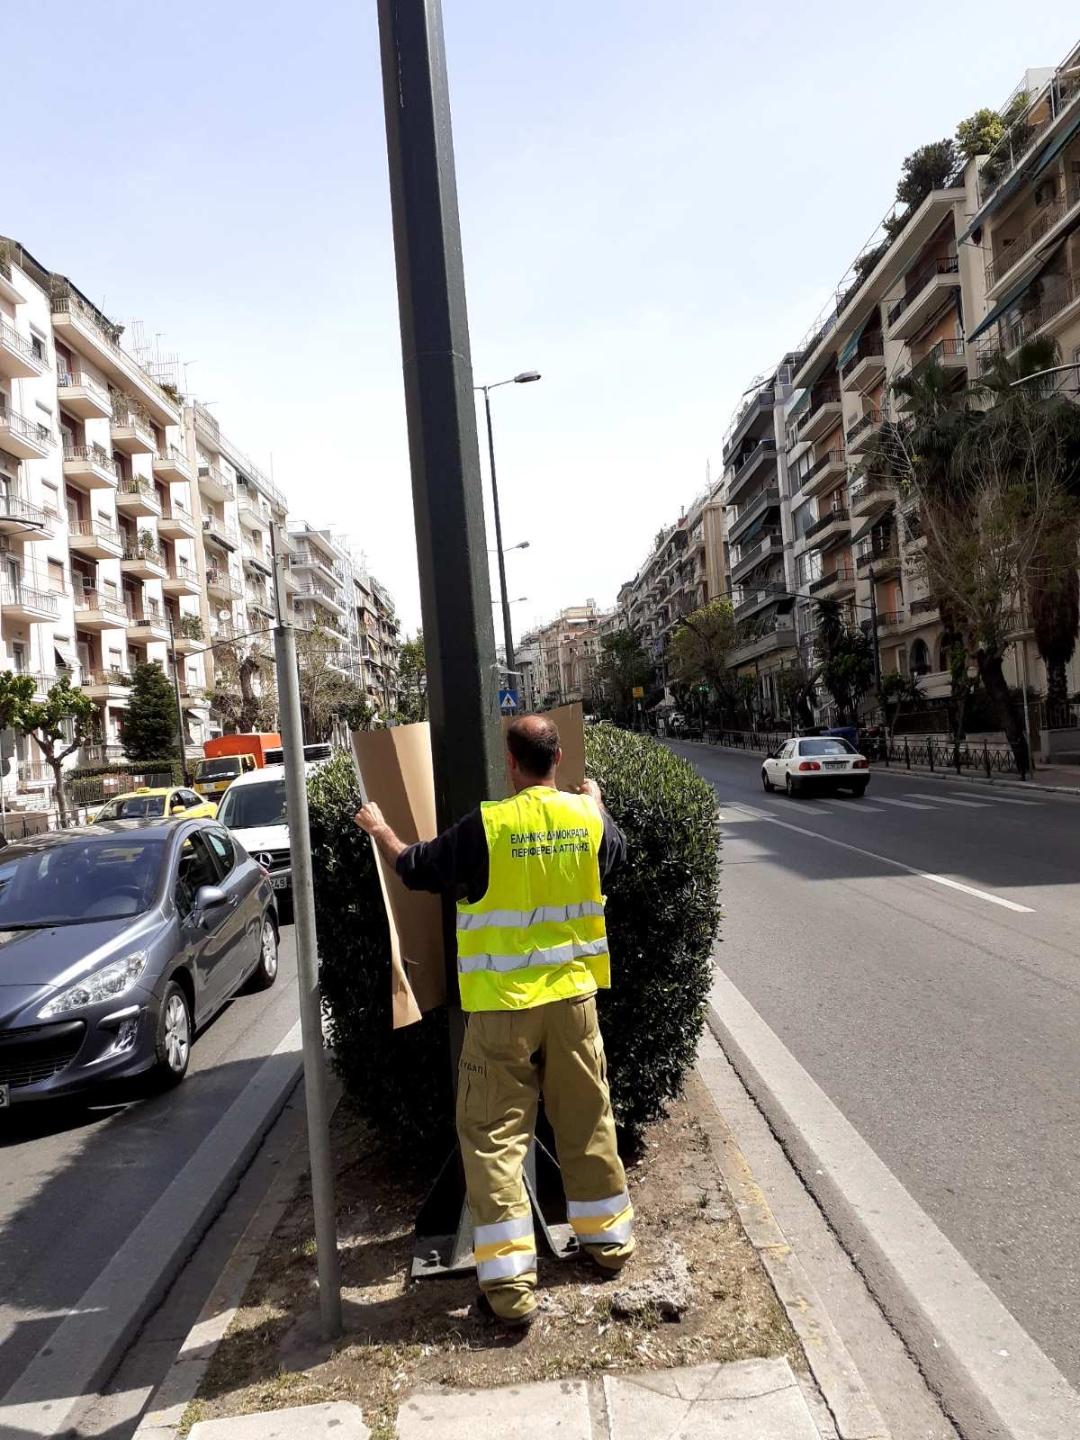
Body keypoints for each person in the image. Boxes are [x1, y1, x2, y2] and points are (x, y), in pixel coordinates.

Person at [354, 713, 633, 1329]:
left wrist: (380, 829)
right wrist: (598, 801)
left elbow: (417, 868)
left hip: (503, 1011)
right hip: (574, 1003)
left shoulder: (490, 825)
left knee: (493, 1139)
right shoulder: (585, 817)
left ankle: (509, 1292)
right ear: (558, 757)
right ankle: (608, 1245)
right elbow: (611, 856)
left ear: (511, 764)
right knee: (588, 1120)